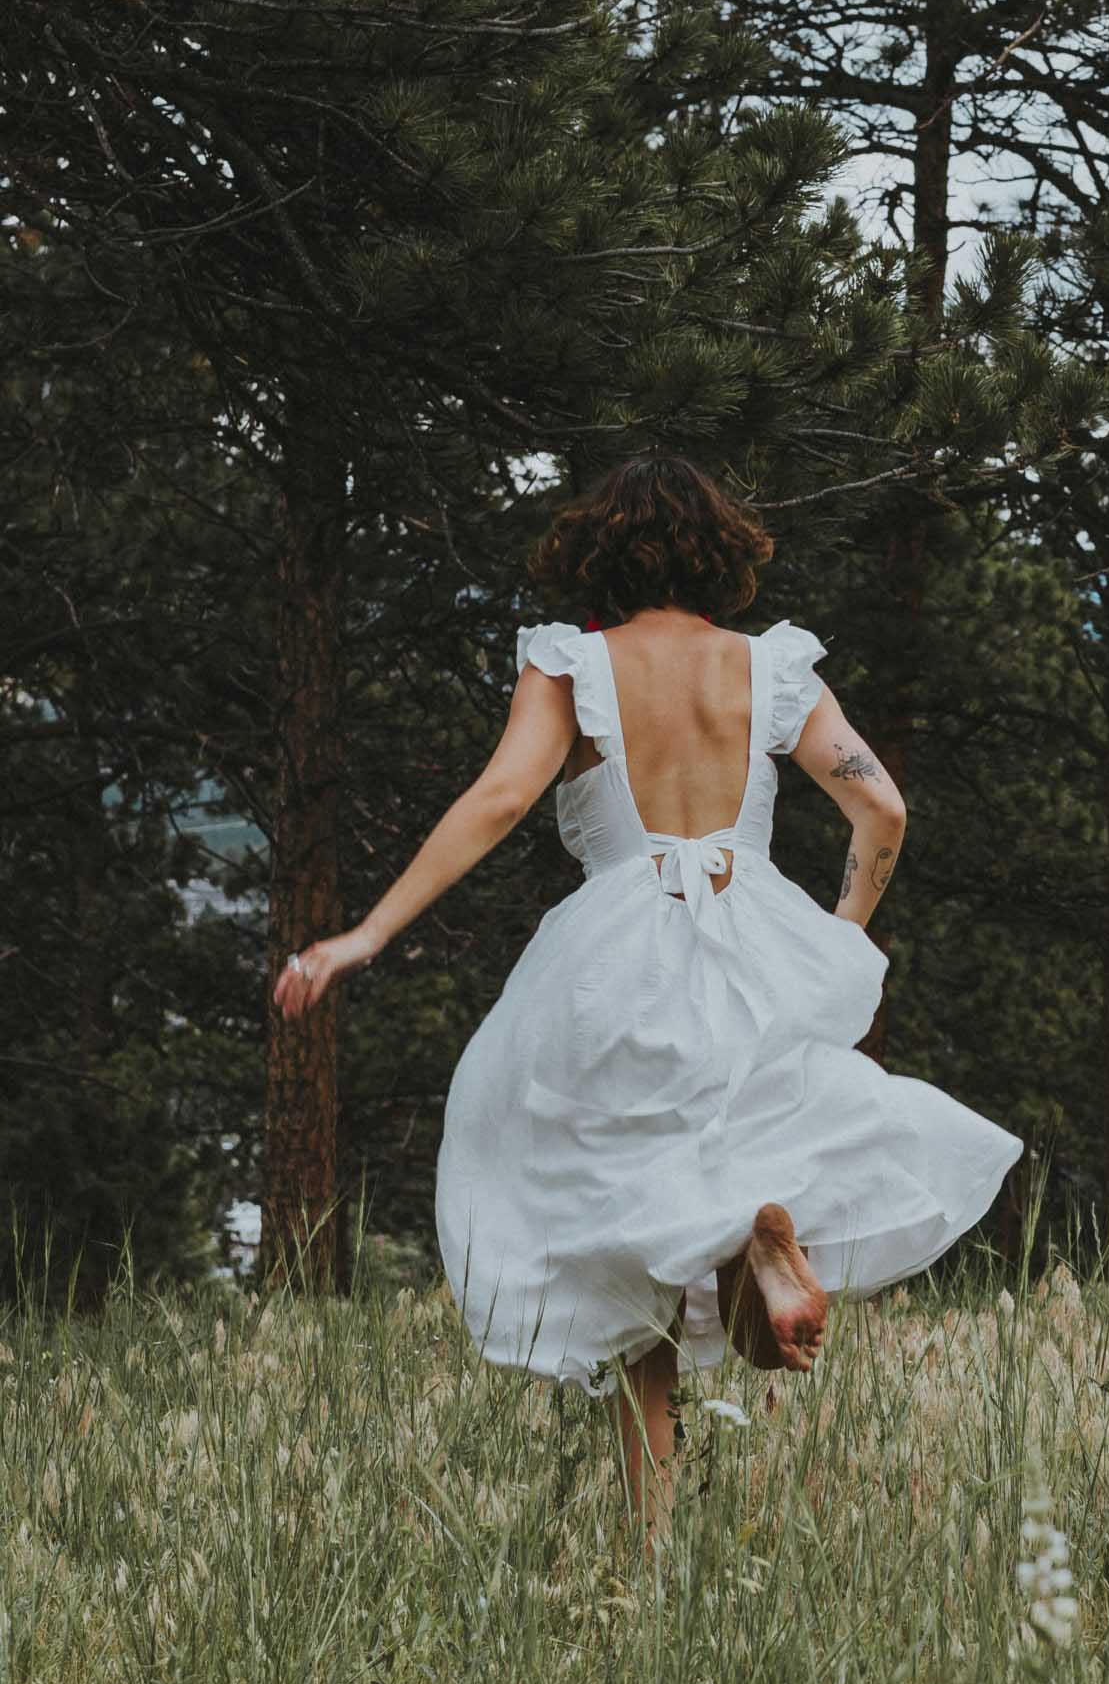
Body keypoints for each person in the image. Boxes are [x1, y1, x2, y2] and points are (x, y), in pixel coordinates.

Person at [272, 455, 1023, 1544]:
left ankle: (649, 1540)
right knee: (735, 1148)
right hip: (755, 931)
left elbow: (498, 797)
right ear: (721, 554)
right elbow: (885, 812)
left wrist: (368, 931)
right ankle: (759, 1235)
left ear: (595, 554)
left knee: (620, 1226)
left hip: (617, 955)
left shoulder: (571, 664)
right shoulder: (771, 669)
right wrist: (833, 936)